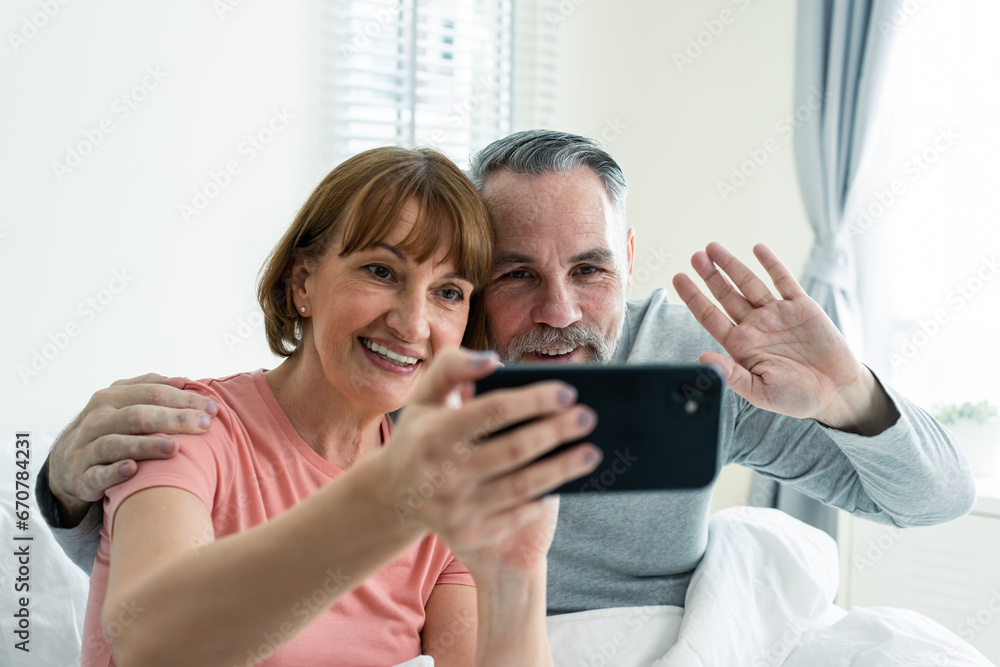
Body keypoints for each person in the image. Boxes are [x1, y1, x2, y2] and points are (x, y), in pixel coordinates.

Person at [39, 131, 975, 622]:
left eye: (591, 268)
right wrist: (63, 497)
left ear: (631, 258)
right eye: (516, 274)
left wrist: (851, 394)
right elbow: (202, 571)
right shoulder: (413, 375)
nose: (561, 311)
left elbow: (932, 503)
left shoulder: (700, 360)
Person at [66, 145, 604, 667]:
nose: (413, 323)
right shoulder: (189, 426)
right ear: (304, 281)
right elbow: (154, 643)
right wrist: (385, 501)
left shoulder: (444, 487)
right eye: (381, 271)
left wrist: (521, 572)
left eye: (448, 292)